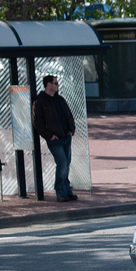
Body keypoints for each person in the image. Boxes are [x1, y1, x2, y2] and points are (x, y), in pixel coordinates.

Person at [33, 74, 77, 202]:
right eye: (55, 83)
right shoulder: (40, 101)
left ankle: (67, 190)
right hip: (55, 139)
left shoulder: (60, 99)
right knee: (62, 163)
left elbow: (69, 115)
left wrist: (71, 130)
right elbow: (38, 122)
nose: (57, 85)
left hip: (66, 136)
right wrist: (49, 136)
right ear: (48, 85)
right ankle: (60, 191)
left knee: (66, 164)